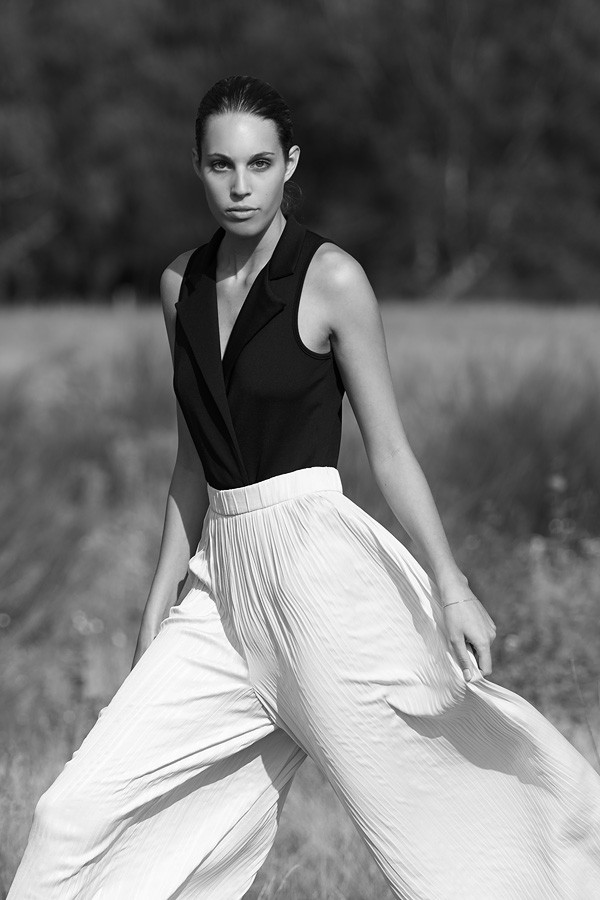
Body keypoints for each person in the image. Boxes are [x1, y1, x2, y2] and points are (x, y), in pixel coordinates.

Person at [8, 74, 600, 900]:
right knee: (73, 814)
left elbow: (389, 448)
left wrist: (451, 583)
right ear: (197, 166)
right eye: (221, 165)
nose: (240, 186)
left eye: (259, 164)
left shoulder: (332, 279)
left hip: (321, 578)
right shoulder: (180, 285)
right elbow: (193, 456)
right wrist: (158, 595)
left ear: (290, 164)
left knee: (436, 822)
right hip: (221, 589)